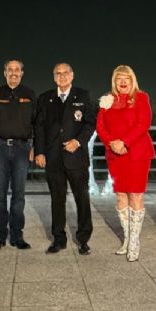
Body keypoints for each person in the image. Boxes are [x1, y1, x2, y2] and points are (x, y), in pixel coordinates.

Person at [34, 63, 95, 255]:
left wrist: (77, 141)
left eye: (65, 73)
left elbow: (90, 123)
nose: (62, 77)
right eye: (58, 74)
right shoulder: (45, 98)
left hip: (76, 157)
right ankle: (58, 239)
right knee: (57, 200)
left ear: (72, 75)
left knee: (82, 199)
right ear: (54, 77)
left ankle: (83, 239)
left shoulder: (83, 95)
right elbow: (40, 127)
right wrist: (40, 152)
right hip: (53, 158)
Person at [96, 65, 155, 261]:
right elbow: (100, 125)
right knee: (121, 196)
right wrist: (111, 143)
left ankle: (135, 242)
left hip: (137, 154)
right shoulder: (107, 100)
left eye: (126, 78)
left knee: (135, 196)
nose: (122, 82)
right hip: (115, 155)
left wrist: (125, 142)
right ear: (114, 81)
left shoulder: (141, 97)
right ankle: (127, 239)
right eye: (119, 78)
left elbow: (143, 123)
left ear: (132, 80)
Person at [0, 59, 36, 250]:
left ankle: (17, 236)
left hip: (22, 150)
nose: (13, 73)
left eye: (17, 70)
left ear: (22, 73)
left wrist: (34, 147)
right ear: (5, 73)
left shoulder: (30, 94)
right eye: (10, 70)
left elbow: (36, 123)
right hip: (0, 149)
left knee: (19, 194)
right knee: (0, 195)